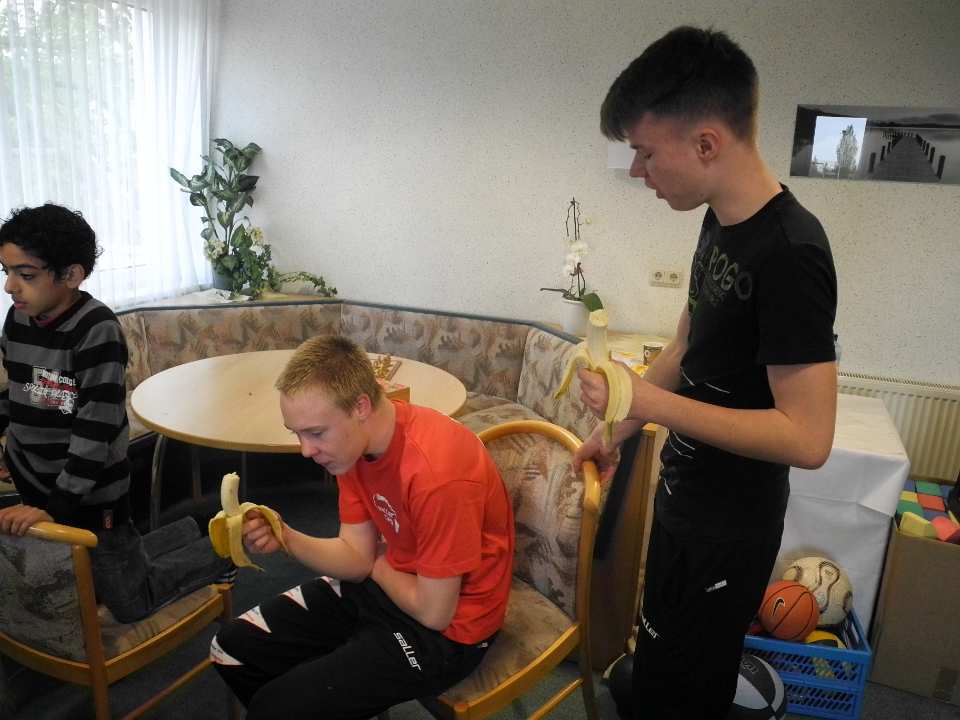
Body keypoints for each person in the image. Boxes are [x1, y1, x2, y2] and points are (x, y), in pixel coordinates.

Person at [578, 27, 839, 719]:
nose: (639, 171)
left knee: (688, 696)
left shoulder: (793, 252)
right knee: (655, 669)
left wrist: (649, 405)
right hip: (683, 500)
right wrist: (618, 430)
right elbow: (686, 347)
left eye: (645, 152)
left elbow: (808, 437)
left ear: (706, 144)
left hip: (730, 530)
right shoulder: (719, 221)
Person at [211, 335, 514, 720]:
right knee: (231, 649)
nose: (306, 450)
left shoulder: (437, 475)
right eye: (297, 433)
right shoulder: (353, 448)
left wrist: (377, 565)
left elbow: (434, 612)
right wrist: (285, 535)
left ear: (361, 406)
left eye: (316, 433)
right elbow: (356, 556)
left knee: (275, 709)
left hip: (450, 631)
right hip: (392, 585)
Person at [0, 203, 233, 623]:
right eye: (6, 272)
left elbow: (96, 428)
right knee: (96, 573)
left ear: (71, 275)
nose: (9, 286)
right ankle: (194, 527)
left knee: (130, 602)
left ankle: (226, 548)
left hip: (92, 493)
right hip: (38, 483)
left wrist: (58, 504)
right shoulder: (17, 320)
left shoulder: (96, 330)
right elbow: (19, 393)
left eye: (26, 275)